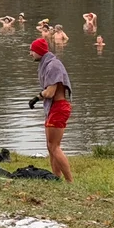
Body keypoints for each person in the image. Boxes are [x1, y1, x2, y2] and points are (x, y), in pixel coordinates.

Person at [28, 37, 73, 182]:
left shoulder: (53, 65)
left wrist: (36, 97)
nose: (30, 53)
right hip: (53, 107)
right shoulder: (47, 64)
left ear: (39, 51)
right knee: (50, 146)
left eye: (32, 50)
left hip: (59, 107)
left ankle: (70, 181)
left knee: (55, 146)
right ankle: (56, 178)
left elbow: (50, 92)